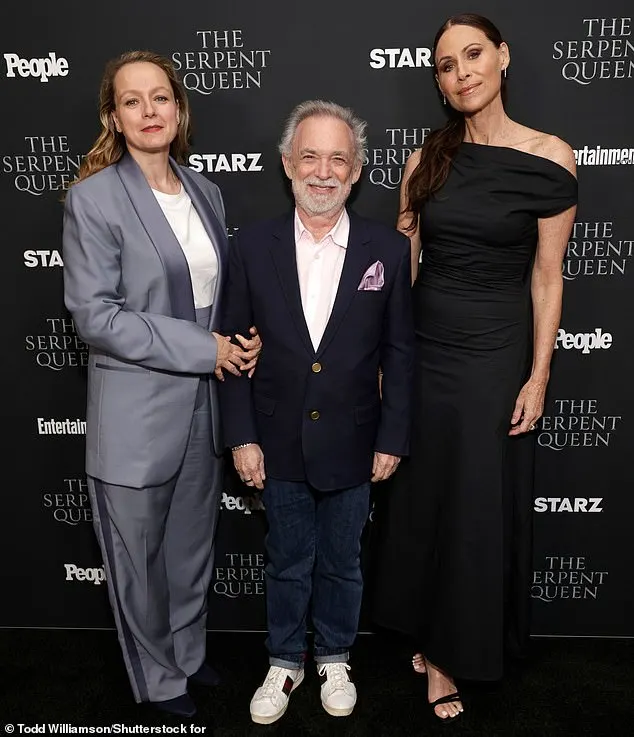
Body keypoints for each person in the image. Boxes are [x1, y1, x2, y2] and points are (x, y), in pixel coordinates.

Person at [371, 13, 578, 721]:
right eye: (446, 65)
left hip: (495, 352)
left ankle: (454, 652)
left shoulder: (552, 156)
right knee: (423, 498)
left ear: (502, 57)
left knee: (475, 503)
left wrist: (539, 374)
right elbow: (404, 270)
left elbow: (547, 278)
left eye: (473, 55)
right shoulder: (427, 159)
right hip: (425, 348)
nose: (461, 73)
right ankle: (426, 633)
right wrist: (390, 363)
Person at [62, 50, 261, 718]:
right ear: (112, 117)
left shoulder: (206, 190)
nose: (149, 112)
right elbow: (96, 315)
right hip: (137, 415)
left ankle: (188, 655)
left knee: (190, 551)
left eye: (160, 98)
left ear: (179, 109)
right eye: (132, 101)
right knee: (139, 561)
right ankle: (158, 680)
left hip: (204, 407)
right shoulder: (94, 199)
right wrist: (202, 347)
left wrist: (239, 339)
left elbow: (218, 295)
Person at [217, 100, 414, 724]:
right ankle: (284, 660)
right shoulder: (249, 245)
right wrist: (241, 438)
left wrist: (393, 435)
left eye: (338, 159)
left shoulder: (387, 246)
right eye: (310, 156)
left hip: (357, 439)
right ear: (286, 164)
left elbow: (400, 353)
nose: (323, 171)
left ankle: (333, 654)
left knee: (343, 559)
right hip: (276, 439)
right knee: (286, 557)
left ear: (356, 172)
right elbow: (230, 348)